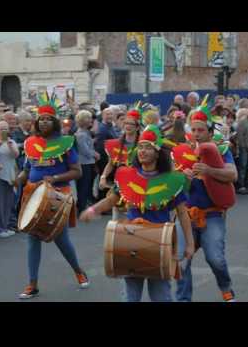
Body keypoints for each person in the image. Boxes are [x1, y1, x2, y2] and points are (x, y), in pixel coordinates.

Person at [80, 124, 195, 302]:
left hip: (160, 243)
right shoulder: (126, 175)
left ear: (157, 152)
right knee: (130, 297)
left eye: (148, 147)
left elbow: (182, 213)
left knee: (161, 297)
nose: (142, 151)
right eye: (140, 147)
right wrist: (92, 209)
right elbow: (111, 200)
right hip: (131, 240)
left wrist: (189, 244)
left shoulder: (173, 180)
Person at [16, 93, 89, 299]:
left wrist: (55, 178)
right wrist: (19, 178)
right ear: (37, 122)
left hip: (58, 194)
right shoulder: (31, 143)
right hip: (32, 194)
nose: (45, 121)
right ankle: (32, 283)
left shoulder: (66, 142)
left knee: (61, 238)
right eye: (41, 118)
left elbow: (77, 171)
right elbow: (27, 168)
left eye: (48, 118)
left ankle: (78, 270)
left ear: (55, 121)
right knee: (32, 239)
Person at [176, 102, 238, 302]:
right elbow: (171, 186)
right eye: (193, 130)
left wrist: (208, 171)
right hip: (186, 214)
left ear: (210, 132)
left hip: (212, 214)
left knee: (216, 259)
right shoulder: (181, 152)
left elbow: (232, 175)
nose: (196, 134)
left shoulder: (221, 150)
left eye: (201, 130)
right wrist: (182, 178)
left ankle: (225, 287)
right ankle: (183, 299)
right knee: (181, 261)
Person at [0, 120, 19, 238]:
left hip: (10, 176)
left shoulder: (12, 142)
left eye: (6, 128)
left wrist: (10, 146)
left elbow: (16, 155)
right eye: (1, 128)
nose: (4, 131)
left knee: (8, 203)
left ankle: (5, 226)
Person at [75, 110, 100, 214]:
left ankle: (81, 206)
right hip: (84, 163)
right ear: (83, 120)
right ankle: (81, 208)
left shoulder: (84, 133)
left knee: (85, 186)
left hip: (86, 163)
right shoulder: (81, 134)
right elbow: (85, 150)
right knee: (83, 186)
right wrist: (95, 154)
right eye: (88, 118)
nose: (91, 120)